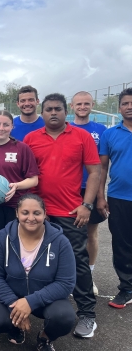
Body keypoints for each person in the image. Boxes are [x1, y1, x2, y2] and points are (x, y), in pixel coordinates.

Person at [24, 93, 100, 339]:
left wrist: (87, 205)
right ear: (42, 112)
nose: (53, 113)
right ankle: (35, 307)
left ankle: (87, 313)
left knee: (78, 261)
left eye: (58, 109)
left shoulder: (82, 137)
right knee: (34, 261)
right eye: (48, 109)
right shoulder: (31, 138)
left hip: (70, 212)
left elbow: (94, 171)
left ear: (65, 112)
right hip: (38, 214)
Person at [0, 194, 76, 351]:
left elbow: (66, 282)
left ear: (45, 213)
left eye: (37, 213)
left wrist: (30, 302)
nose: (31, 218)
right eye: (25, 212)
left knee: (64, 318)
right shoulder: (3, 237)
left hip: (44, 298)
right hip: (12, 295)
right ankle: (15, 325)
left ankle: (45, 337)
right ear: (17, 213)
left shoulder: (60, 242)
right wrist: (16, 306)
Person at [0, 110, 39, 249]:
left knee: (16, 241)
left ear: (12, 127)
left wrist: (15, 186)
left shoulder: (22, 149)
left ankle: (15, 270)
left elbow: (33, 180)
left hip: (16, 203)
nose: (1, 128)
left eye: (6, 125)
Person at [97, 87, 132, 309]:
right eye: (126, 103)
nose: (130, 107)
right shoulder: (110, 134)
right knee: (122, 245)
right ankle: (126, 288)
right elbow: (101, 168)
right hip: (119, 197)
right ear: (119, 108)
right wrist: (100, 196)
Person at [70, 91, 107, 296]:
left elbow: (101, 166)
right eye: (79, 104)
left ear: (92, 105)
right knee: (66, 233)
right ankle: (65, 273)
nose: (82, 107)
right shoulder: (65, 128)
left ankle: (89, 275)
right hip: (69, 188)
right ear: (71, 106)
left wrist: (100, 196)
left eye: (86, 103)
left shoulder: (101, 130)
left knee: (91, 233)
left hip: (90, 189)